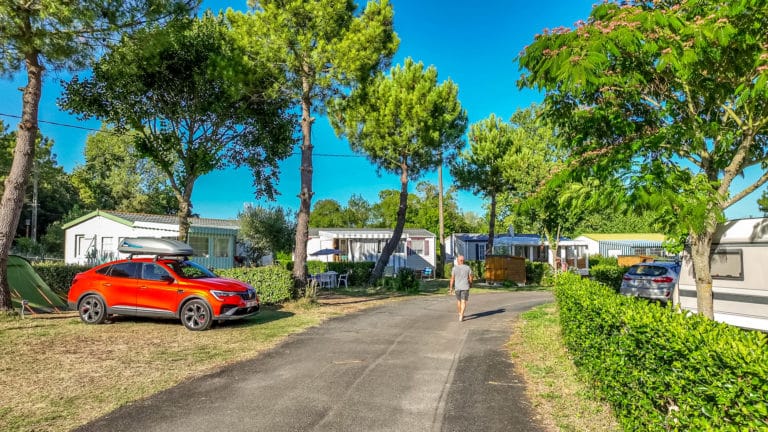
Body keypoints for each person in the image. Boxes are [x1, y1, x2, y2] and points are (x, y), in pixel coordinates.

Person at [449, 255, 473, 322]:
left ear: (458, 261)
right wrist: (471, 284)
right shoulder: (468, 268)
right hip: (465, 287)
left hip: (457, 287)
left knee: (459, 301)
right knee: (463, 301)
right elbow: (471, 277)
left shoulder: (454, 268)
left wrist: (451, 288)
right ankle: (461, 315)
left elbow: (452, 279)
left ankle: (460, 314)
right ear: (463, 261)